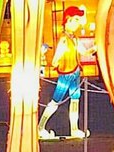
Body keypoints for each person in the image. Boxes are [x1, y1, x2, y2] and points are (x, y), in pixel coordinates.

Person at [38, 5, 90, 139]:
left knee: (75, 100)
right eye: (76, 20)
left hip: (76, 73)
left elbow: (84, 52)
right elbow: (55, 61)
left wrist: (95, 47)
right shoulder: (64, 40)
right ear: (68, 20)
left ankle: (74, 129)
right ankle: (40, 127)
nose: (78, 23)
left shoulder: (75, 39)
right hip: (66, 74)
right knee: (56, 100)